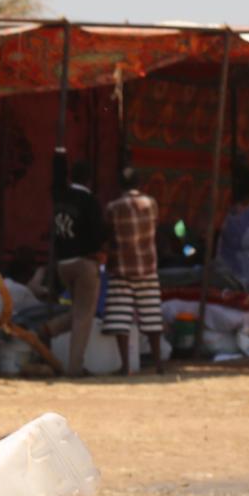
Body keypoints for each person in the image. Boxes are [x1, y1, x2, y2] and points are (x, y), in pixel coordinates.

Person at [102, 168, 166, 375]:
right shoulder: (151, 204)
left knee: (120, 320)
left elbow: (109, 234)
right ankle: (158, 365)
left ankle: (125, 366)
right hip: (147, 267)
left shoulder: (112, 207)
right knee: (152, 317)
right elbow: (155, 226)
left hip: (121, 268)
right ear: (140, 183)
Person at [53, 159, 107, 376]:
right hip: (84, 263)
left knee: (77, 312)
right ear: (89, 179)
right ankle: (75, 368)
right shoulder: (89, 201)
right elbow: (97, 235)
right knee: (84, 316)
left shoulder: (61, 197)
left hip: (62, 264)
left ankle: (46, 331)